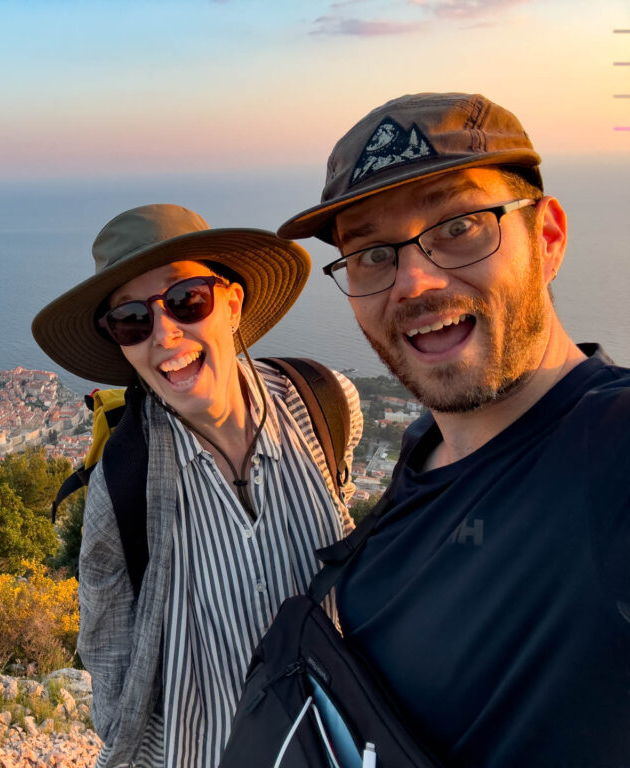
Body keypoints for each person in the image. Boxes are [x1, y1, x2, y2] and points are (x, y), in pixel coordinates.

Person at [277, 92, 630, 766]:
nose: (413, 280)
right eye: (372, 254)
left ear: (548, 239)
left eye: (460, 224)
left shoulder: (612, 450)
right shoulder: (425, 449)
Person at [31, 203, 362, 768]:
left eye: (187, 300)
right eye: (133, 320)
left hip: (336, 739)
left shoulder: (326, 404)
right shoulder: (123, 476)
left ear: (232, 303)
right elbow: (106, 639)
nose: (164, 334)